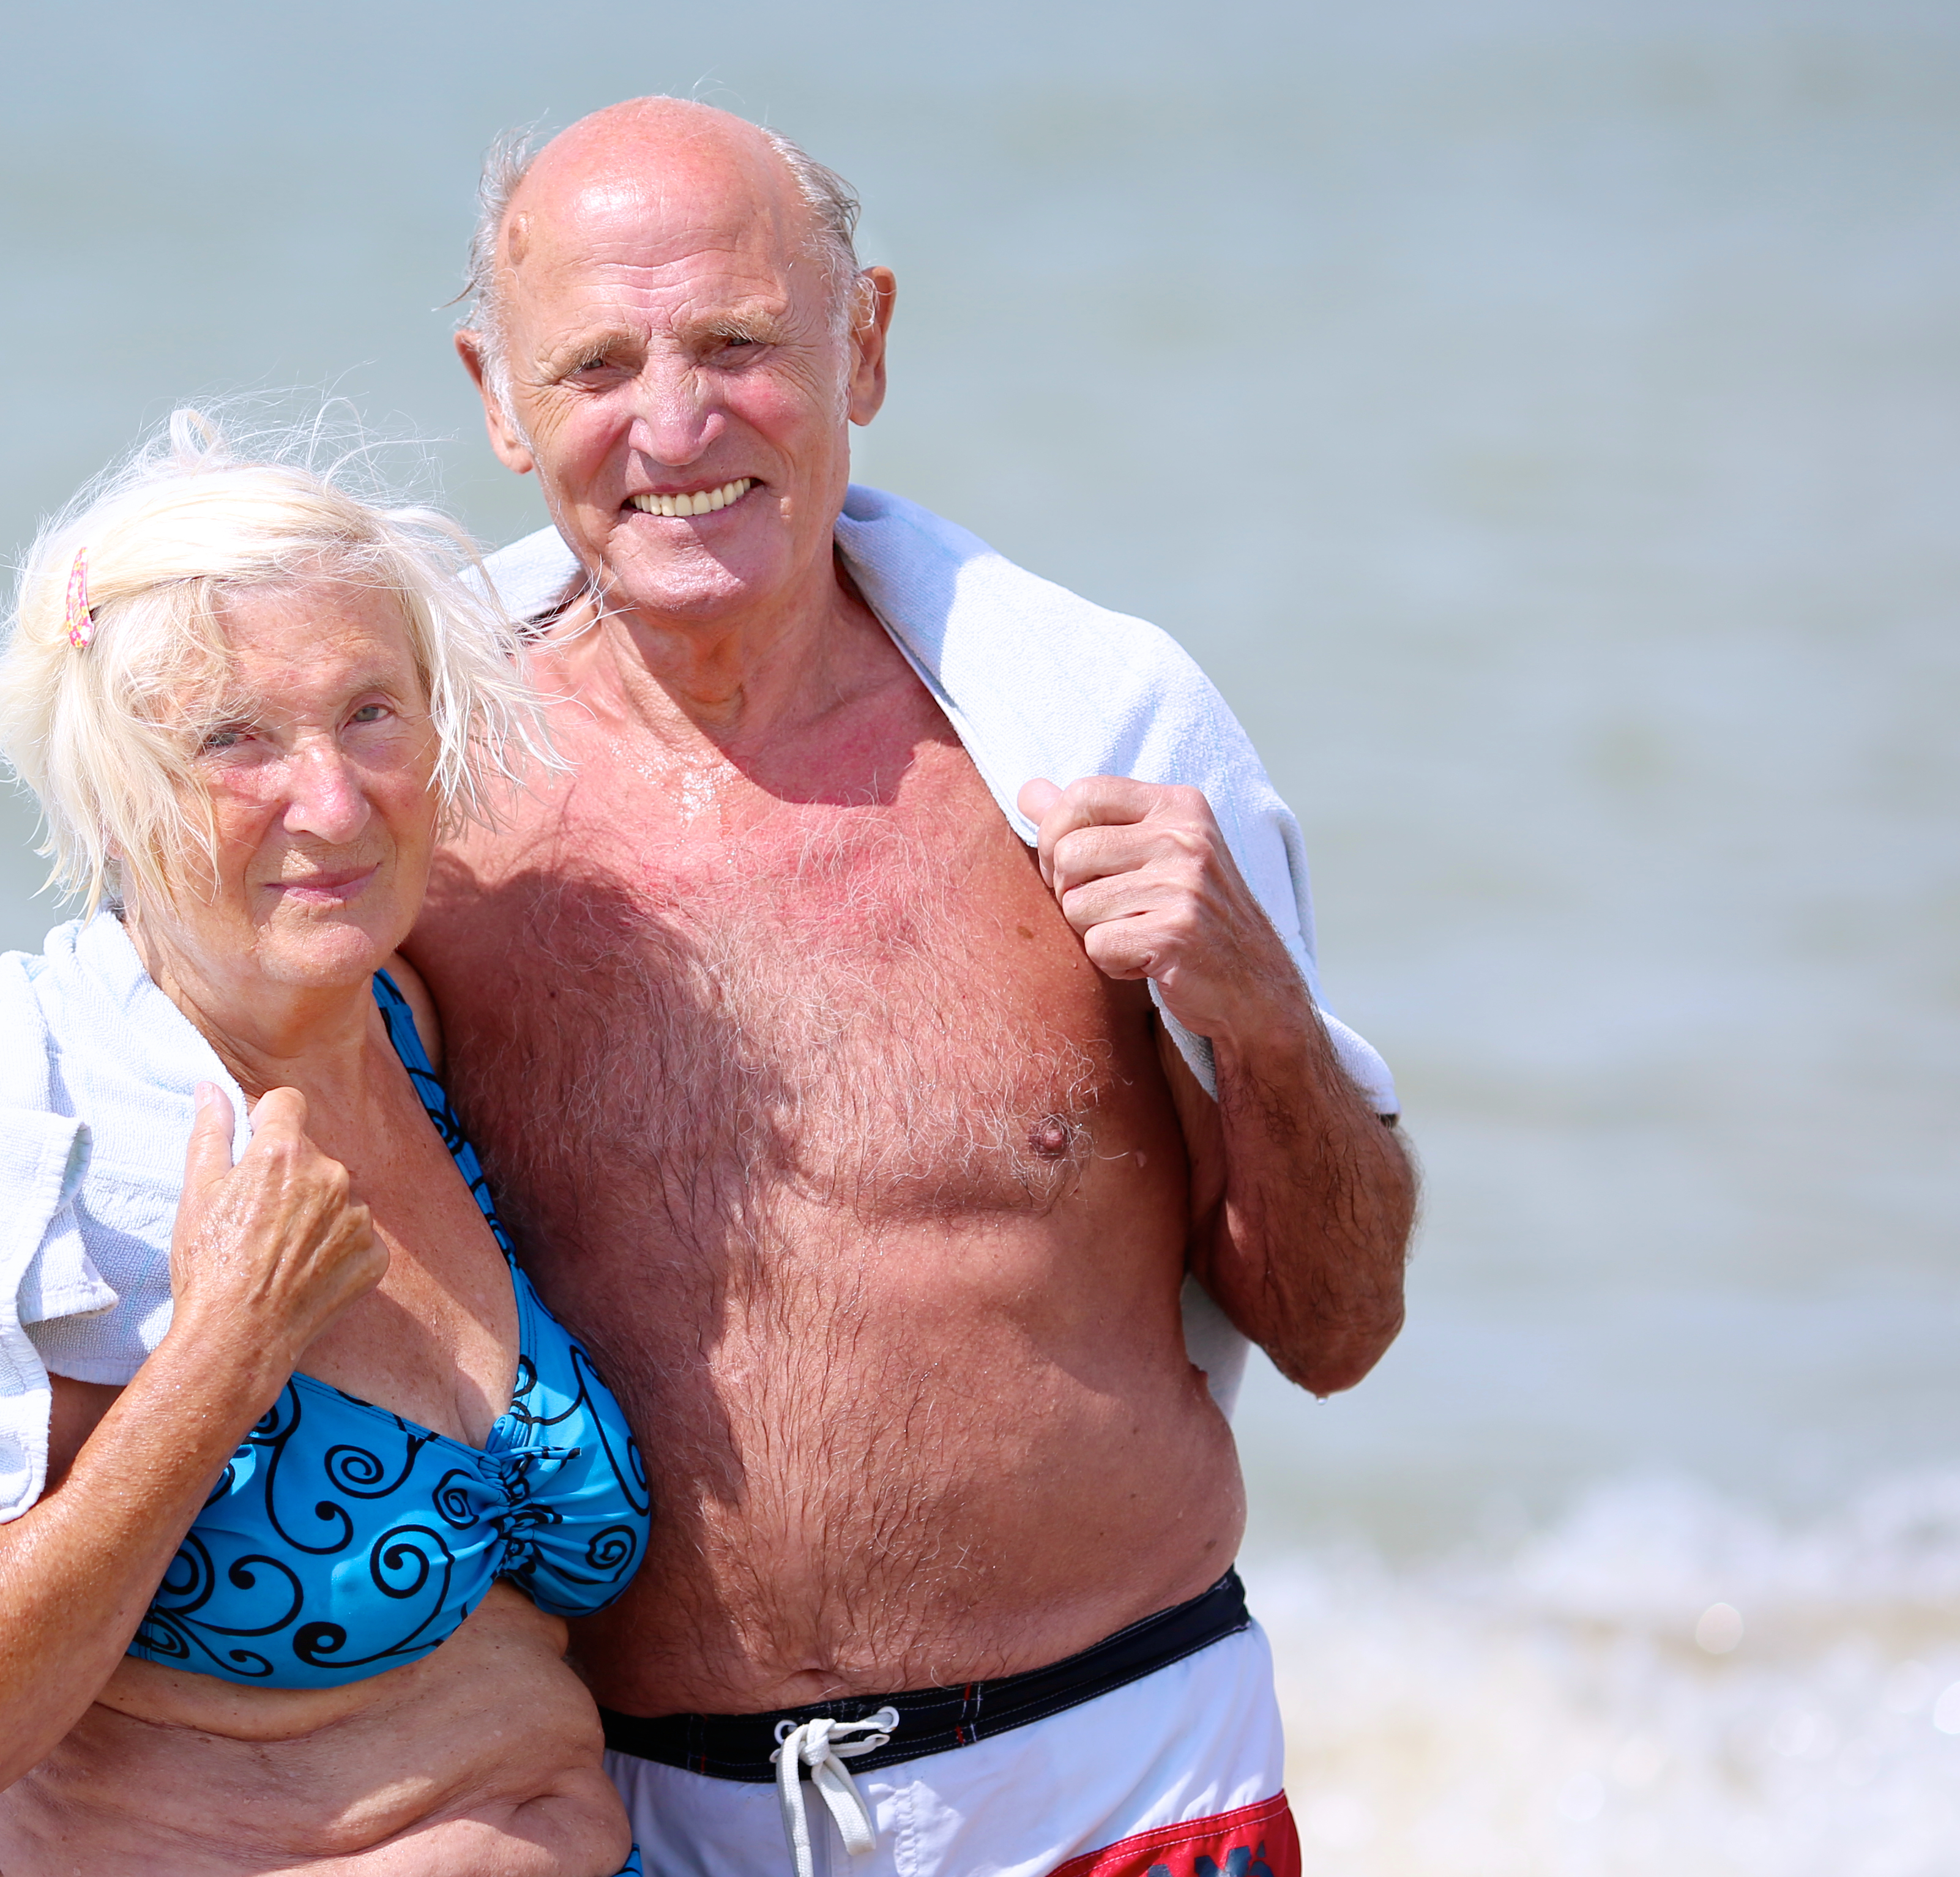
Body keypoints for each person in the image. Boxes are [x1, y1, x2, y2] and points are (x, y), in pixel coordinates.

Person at [406, 100, 1419, 1877]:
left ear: (860, 340)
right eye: (595, 366)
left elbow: (1335, 1324)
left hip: (1121, 1790)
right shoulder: (412, 814)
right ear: (497, 396)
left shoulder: (1086, 743)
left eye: (736, 342)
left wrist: (1257, 1012)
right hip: (628, 1819)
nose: (671, 423)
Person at [0, 414, 652, 1876]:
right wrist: (219, 1362)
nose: (330, 799)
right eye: (234, 740)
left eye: (372, 712)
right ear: (111, 791)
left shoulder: (409, 1019)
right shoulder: (12, 1129)